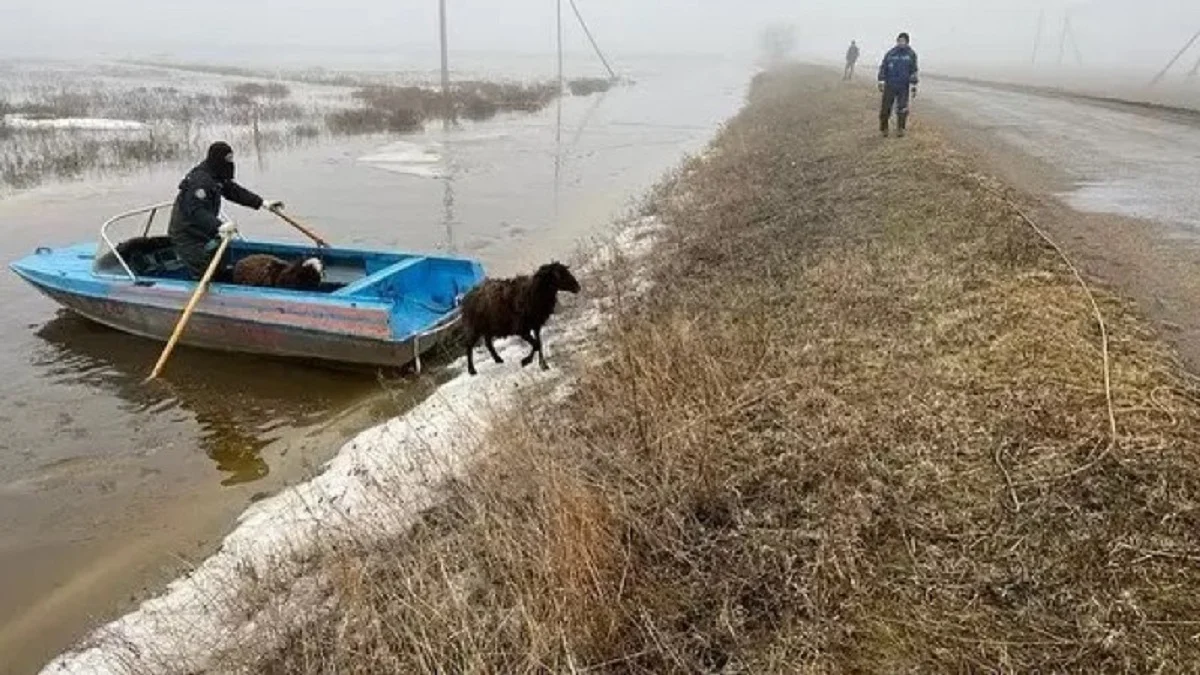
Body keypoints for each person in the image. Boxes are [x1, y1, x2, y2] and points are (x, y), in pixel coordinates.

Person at [168, 141, 282, 278]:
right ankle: (206, 290)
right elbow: (195, 211)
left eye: (231, 159)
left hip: (205, 230)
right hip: (187, 234)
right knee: (204, 268)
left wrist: (261, 202)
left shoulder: (216, 175)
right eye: (227, 159)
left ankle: (224, 280)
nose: (230, 163)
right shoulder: (200, 182)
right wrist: (219, 225)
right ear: (218, 160)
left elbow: (233, 191)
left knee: (222, 260)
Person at [877, 32, 919, 137]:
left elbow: (914, 70)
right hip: (890, 84)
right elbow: (883, 67)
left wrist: (914, 85)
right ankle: (884, 128)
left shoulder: (911, 54)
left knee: (902, 108)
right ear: (897, 41)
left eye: (903, 41)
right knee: (885, 108)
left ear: (907, 42)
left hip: (903, 86)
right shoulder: (890, 53)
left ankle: (900, 128)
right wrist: (881, 80)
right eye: (899, 40)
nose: (901, 43)